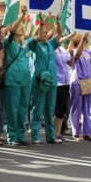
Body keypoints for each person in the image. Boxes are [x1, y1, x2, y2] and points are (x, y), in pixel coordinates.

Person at [26, 14, 62, 144]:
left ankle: (51, 136)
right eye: (43, 32)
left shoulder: (51, 44)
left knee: (50, 109)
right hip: (39, 82)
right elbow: (38, 36)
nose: (46, 34)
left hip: (51, 81)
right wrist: (43, 22)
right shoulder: (34, 45)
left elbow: (59, 32)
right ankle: (35, 136)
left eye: (47, 32)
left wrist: (57, 21)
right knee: (38, 109)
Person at [2, 12, 32, 145]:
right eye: (19, 26)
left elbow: (41, 37)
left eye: (23, 26)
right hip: (12, 81)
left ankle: (20, 135)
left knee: (23, 109)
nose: (21, 27)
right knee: (12, 109)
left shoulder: (25, 44)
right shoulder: (8, 42)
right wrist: (22, 16)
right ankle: (12, 137)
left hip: (26, 81)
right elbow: (12, 30)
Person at [68, 32, 91, 142]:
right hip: (77, 82)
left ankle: (87, 133)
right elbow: (77, 54)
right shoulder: (74, 51)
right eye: (83, 41)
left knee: (86, 109)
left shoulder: (88, 53)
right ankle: (76, 133)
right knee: (76, 108)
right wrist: (83, 39)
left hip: (87, 82)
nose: (85, 42)